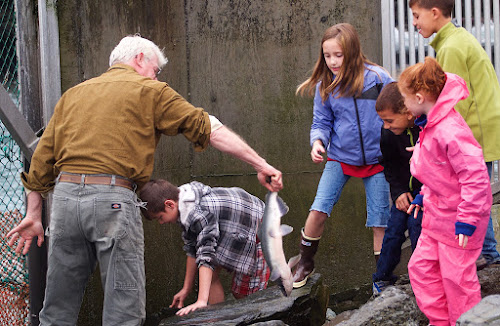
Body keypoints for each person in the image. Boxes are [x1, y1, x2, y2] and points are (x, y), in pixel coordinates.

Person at [6, 35, 282, 326]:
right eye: (156, 69)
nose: (156, 76)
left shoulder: (73, 95)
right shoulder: (150, 90)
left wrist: (34, 213)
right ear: (139, 58)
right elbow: (209, 128)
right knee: (124, 309)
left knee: (57, 306)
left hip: (64, 201)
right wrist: (260, 164)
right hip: (112, 199)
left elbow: (41, 161)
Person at [291, 23, 394, 288]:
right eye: (327, 55)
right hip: (339, 157)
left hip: (378, 161)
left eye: (339, 55)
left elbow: (400, 111)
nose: (333, 61)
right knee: (318, 209)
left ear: (352, 51)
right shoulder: (326, 85)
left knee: (380, 222)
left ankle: (381, 281)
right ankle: (304, 262)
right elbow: (321, 122)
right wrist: (317, 142)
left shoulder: (378, 78)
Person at [399, 57, 491, 326]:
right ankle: (441, 321)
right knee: (422, 269)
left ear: (418, 97)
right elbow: (441, 172)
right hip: (437, 215)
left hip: (459, 222)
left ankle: (465, 322)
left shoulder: (449, 130)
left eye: (405, 98)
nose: (404, 104)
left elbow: (475, 177)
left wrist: (467, 220)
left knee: (458, 280)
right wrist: (423, 194)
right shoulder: (431, 124)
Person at [410, 0, 500, 268]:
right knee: (477, 193)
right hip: (479, 130)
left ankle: (488, 256)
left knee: (472, 194)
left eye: (416, 16)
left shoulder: (450, 48)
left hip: (472, 135)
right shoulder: (457, 40)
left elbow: (452, 102)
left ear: (434, 13)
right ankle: (488, 254)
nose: (414, 22)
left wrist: (437, 144)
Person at [139, 179, 270, 316]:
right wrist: (186, 289)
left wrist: (201, 300)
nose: (161, 223)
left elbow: (205, 255)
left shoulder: (197, 213)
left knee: (246, 295)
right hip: (231, 228)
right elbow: (192, 249)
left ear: (170, 204)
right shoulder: (182, 204)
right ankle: (217, 319)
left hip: (259, 228)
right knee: (211, 276)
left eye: (160, 217)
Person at [371, 82, 423, 295]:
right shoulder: (388, 135)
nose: (385, 125)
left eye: (389, 120)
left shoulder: (426, 129)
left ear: (408, 113)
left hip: (426, 195)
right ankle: (381, 278)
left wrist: (423, 195)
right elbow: (389, 166)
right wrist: (399, 193)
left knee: (417, 229)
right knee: (393, 233)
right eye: (383, 121)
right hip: (403, 195)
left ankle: (422, 277)